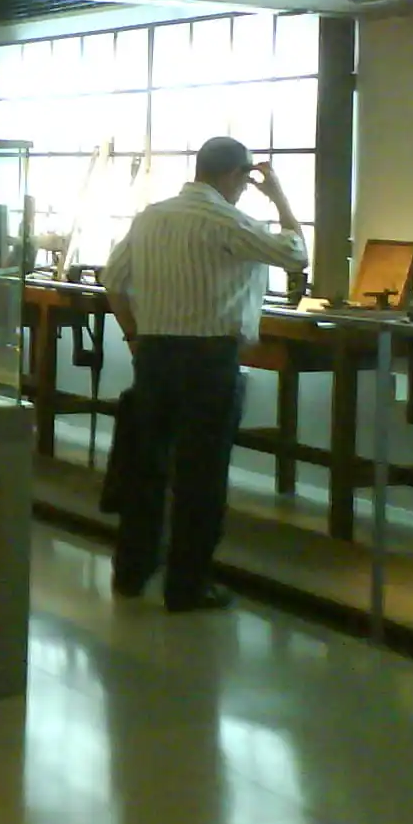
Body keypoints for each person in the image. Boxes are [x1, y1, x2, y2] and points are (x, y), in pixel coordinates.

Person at [102, 136, 308, 613]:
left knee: (146, 467)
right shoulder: (228, 221)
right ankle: (186, 586)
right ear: (237, 175)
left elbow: (113, 280)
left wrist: (134, 337)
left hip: (154, 356)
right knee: (201, 476)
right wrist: (278, 196)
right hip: (209, 362)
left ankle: (131, 571)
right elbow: (296, 254)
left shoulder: (151, 217)